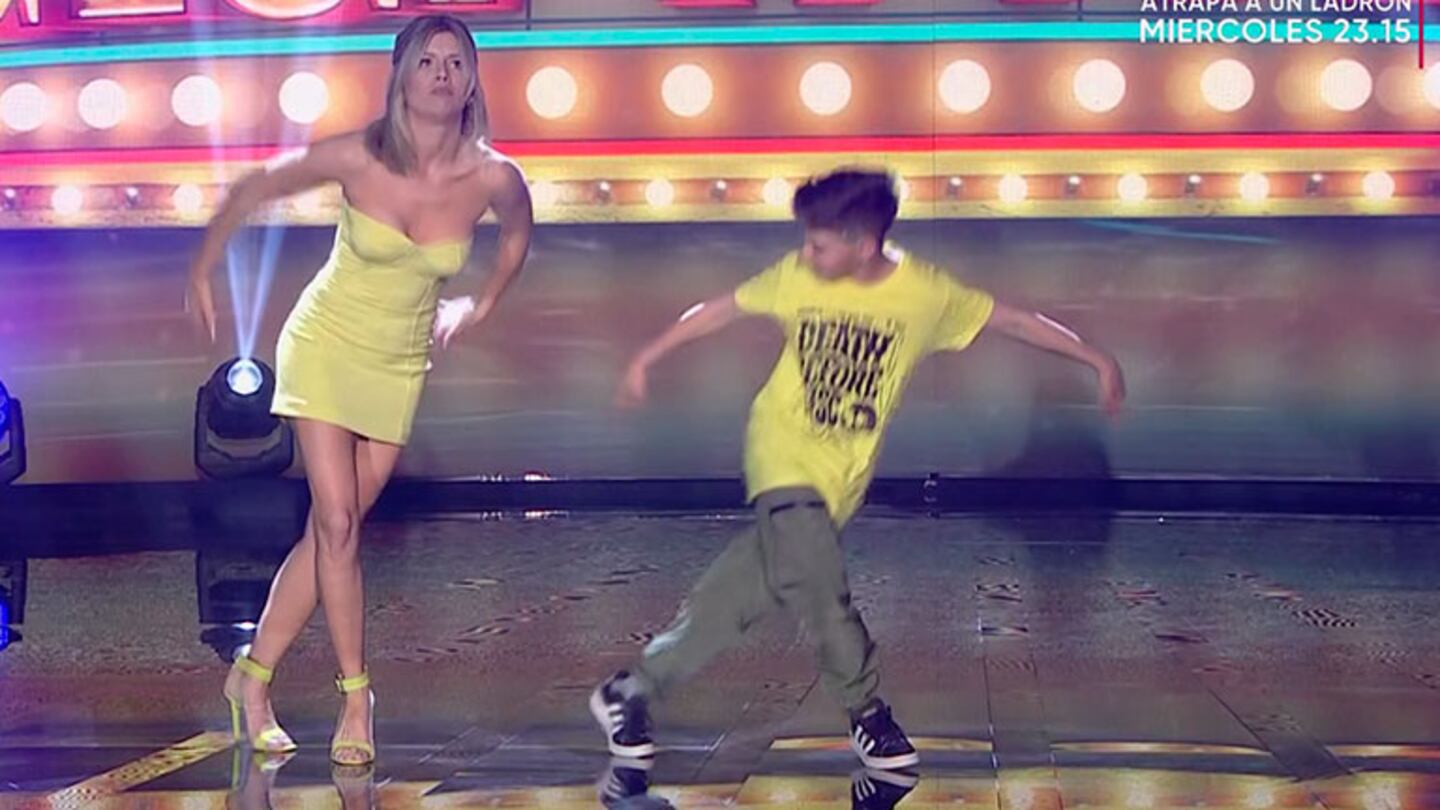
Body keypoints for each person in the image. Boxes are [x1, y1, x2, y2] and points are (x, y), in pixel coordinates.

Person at [591, 169, 1124, 770]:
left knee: (733, 598)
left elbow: (1014, 321)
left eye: (819, 245)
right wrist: (646, 358)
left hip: (841, 479)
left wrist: (1096, 359)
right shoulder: (795, 276)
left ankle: (630, 690)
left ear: (864, 244)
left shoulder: (923, 294)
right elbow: (719, 310)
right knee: (825, 596)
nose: (806, 253)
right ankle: (866, 710)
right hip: (782, 455)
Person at [185, 14, 533, 766]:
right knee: (339, 525)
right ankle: (356, 696)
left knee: (328, 535)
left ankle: (249, 680)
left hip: (397, 365)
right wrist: (204, 266)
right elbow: (258, 186)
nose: (442, 74)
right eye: (427, 61)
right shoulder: (358, 155)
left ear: (473, 80)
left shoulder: (494, 176)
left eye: (456, 62)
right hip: (324, 345)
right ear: (401, 76)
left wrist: (476, 306)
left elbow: (515, 237)